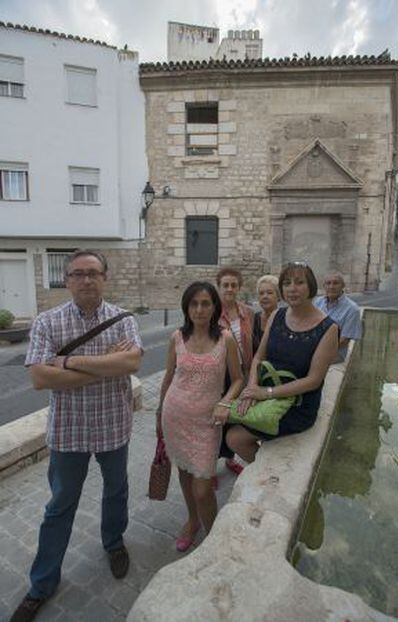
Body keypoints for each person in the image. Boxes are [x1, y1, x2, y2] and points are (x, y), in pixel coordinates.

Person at [11, 250, 142, 622]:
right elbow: (39, 378)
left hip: (113, 425)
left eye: (93, 273)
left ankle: (114, 543)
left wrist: (66, 362)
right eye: (78, 274)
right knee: (59, 507)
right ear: (66, 279)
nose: (86, 280)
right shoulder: (47, 322)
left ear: (105, 277)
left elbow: (131, 363)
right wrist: (106, 366)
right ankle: (41, 584)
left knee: (116, 491)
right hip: (68, 431)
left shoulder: (123, 320)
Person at [157, 281, 242, 552]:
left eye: (205, 303)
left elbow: (238, 380)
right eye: (194, 303)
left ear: (215, 307)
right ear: (186, 307)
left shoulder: (226, 339)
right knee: (183, 473)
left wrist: (225, 402)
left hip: (207, 423)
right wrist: (159, 413)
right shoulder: (177, 338)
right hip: (175, 417)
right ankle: (192, 521)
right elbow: (168, 378)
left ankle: (214, 538)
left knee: (203, 488)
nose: (199, 309)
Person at [226, 262, 338, 464]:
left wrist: (265, 393)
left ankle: (265, 470)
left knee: (235, 438)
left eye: (299, 282)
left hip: (297, 404)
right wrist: (252, 388)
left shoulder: (328, 329)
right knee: (226, 421)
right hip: (266, 393)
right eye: (286, 283)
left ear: (310, 286)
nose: (292, 288)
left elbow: (314, 380)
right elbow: (259, 357)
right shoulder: (277, 316)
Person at [215, 267, 255, 476]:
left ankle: (229, 458)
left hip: (241, 374)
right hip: (219, 376)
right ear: (218, 287)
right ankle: (210, 468)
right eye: (225, 285)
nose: (229, 289)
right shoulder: (212, 313)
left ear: (239, 287)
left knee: (234, 419)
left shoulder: (247, 312)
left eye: (234, 285)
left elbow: (252, 344)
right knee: (215, 421)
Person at [314, 271, 362, 361]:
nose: (331, 287)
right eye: (328, 283)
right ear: (324, 286)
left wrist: (319, 350)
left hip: (335, 354)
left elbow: (344, 340)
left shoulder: (352, 309)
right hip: (313, 349)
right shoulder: (317, 302)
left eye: (336, 283)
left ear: (343, 285)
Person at [252, 274, 280, 354]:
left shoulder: (285, 319)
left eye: (269, 293)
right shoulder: (253, 319)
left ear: (278, 296)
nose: (265, 296)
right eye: (261, 293)